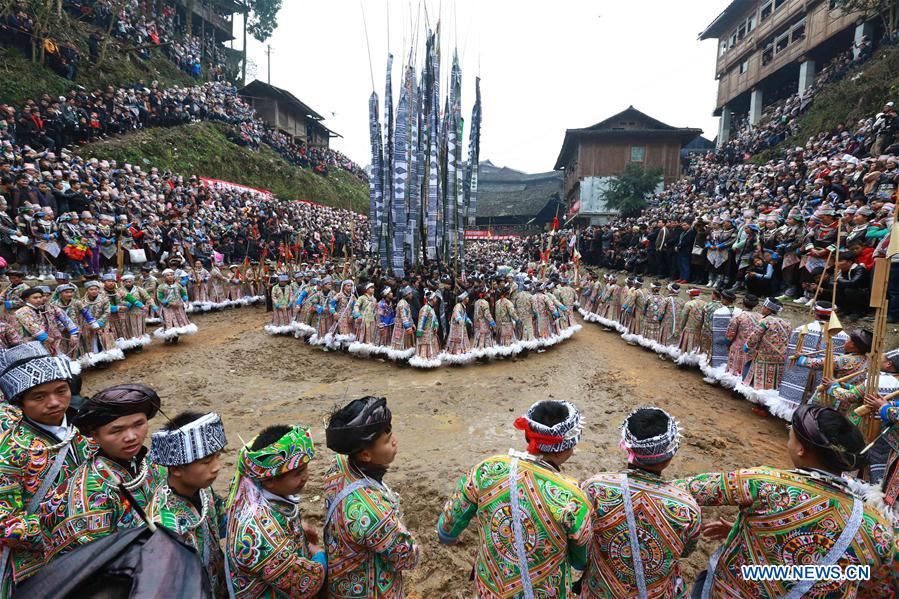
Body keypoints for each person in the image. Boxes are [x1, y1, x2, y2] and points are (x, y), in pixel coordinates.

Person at [680, 405, 896, 598]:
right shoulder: (878, 528)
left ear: (801, 449)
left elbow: (684, 490)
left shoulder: (764, 484)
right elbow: (879, 587)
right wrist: (751, 535)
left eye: (790, 435)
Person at [437, 400, 592, 598]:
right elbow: (580, 558)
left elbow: (447, 528)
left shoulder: (487, 470)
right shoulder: (573, 498)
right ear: (569, 446)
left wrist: (449, 536)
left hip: (490, 589)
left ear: (527, 434)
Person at [579, 407, 700, 598]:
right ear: (669, 455)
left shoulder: (595, 487)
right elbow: (686, 550)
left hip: (600, 590)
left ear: (627, 446)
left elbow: (582, 538)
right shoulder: (687, 507)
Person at [0, 342, 88, 595]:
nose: (54, 403)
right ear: (20, 401)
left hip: (92, 545)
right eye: (39, 396)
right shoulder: (9, 448)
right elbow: (5, 521)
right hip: (37, 563)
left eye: (61, 390)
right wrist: (62, 534)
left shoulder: (85, 424)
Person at [40, 384, 165, 562]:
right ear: (94, 435)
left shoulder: (152, 462)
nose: (131, 436)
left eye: (139, 424)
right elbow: (95, 564)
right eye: (116, 430)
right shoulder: (88, 494)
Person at [323, 396, 420, 597]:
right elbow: (407, 557)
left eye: (391, 433)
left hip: (342, 585)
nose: (394, 441)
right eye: (387, 440)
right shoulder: (374, 513)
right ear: (365, 455)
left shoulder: (338, 466)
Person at [224, 423, 325, 598]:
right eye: (298, 472)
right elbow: (305, 584)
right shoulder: (259, 533)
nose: (306, 476)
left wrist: (299, 527)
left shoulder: (255, 492)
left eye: (306, 468)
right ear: (269, 480)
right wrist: (319, 556)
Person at [147, 411, 228, 597]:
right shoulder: (164, 521)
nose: (216, 467)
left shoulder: (203, 489)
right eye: (207, 461)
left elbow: (223, 521)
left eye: (217, 456)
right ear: (176, 469)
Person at [776, 301, 848, 410]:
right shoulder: (843, 336)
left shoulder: (801, 329)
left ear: (815, 313)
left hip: (802, 369)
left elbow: (790, 354)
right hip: (824, 374)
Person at [742, 297, 792, 399]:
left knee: (759, 380)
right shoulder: (787, 323)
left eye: (764, 307)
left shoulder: (766, 321)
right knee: (773, 381)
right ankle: (768, 403)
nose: (762, 308)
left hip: (763, 356)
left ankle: (758, 401)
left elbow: (755, 336)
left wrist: (748, 346)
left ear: (768, 309)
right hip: (780, 358)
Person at [14, 286, 78, 357]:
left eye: (40, 297)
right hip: (32, 343)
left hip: (52, 340)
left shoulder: (50, 307)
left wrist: (73, 333)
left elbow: (66, 319)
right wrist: (46, 338)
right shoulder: (22, 311)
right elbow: (32, 327)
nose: (39, 299)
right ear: (27, 299)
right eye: (35, 298)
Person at [701, 289, 740, 384]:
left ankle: (714, 376)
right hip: (734, 340)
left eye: (722, 298)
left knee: (716, 357)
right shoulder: (739, 311)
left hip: (719, 340)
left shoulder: (719, 311)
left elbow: (711, 326)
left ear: (725, 299)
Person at [154, 268, 197, 343]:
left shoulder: (178, 285)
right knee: (168, 321)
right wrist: (169, 303)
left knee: (178, 320)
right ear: (164, 277)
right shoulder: (161, 287)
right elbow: (159, 297)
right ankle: (168, 335)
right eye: (167, 275)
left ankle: (176, 336)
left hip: (178, 307)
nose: (170, 277)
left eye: (171, 275)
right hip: (168, 308)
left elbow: (183, 293)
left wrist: (185, 301)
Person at [724, 294, 762, 379]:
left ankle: (733, 384)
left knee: (734, 369)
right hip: (753, 348)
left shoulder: (738, 316)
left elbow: (730, 334)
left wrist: (727, 344)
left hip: (738, 347)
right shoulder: (761, 317)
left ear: (743, 303)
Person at [411, 291, 441, 368]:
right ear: (431, 299)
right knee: (424, 348)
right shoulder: (425, 309)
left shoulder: (431, 308)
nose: (436, 299)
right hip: (425, 333)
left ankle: (430, 363)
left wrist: (436, 325)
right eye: (435, 298)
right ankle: (423, 364)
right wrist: (420, 332)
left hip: (431, 333)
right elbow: (421, 321)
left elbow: (435, 319)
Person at [676, 288, 705, 363]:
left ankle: (684, 362)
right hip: (700, 330)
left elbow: (684, 317)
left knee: (687, 346)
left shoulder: (689, 304)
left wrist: (681, 327)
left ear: (691, 295)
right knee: (697, 346)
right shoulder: (705, 303)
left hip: (689, 329)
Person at [444, 291, 472, 362]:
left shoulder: (463, 306)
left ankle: (459, 358)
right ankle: (455, 359)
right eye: (467, 297)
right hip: (456, 328)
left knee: (461, 342)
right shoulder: (458, 306)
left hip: (461, 327)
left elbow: (464, 315)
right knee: (456, 343)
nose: (468, 298)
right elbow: (456, 313)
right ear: (463, 299)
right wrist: (459, 319)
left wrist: (468, 320)